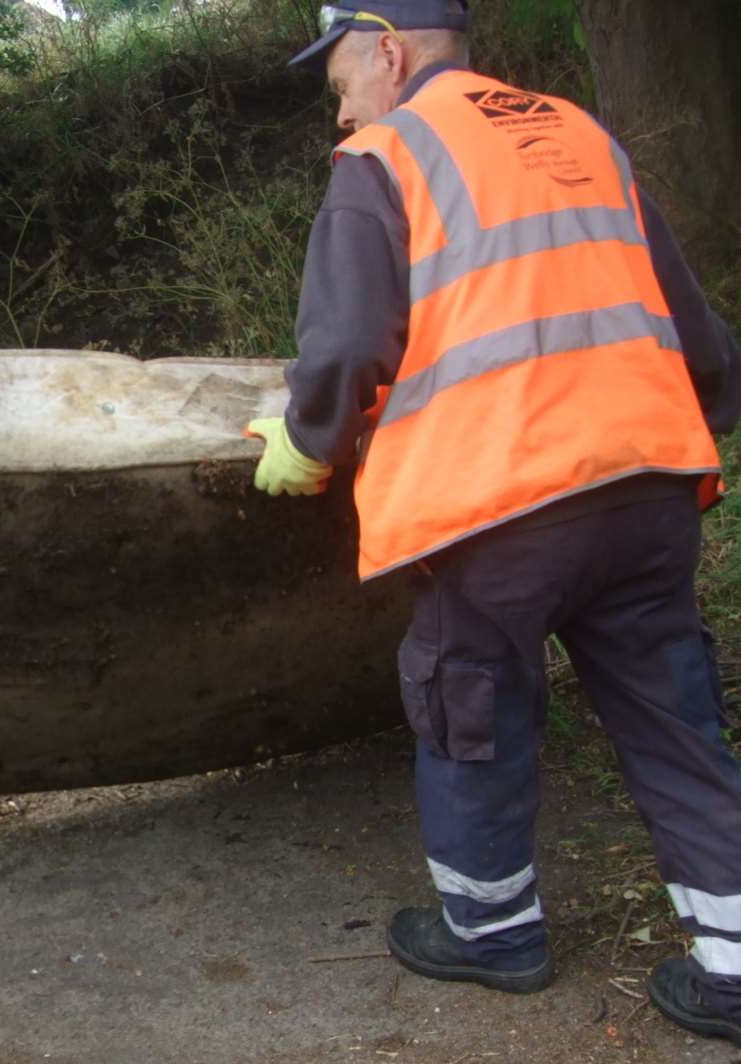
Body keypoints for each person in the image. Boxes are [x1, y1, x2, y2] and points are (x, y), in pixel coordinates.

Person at [247, 0, 741, 1047]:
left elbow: (343, 347)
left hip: (500, 505)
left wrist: (306, 441)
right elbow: (694, 329)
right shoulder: (579, 133)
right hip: (649, 486)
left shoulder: (383, 159)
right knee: (672, 717)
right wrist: (681, 428)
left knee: (466, 702)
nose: (340, 119)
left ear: (386, 50)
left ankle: (490, 929)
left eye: (339, 88)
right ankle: (735, 964)